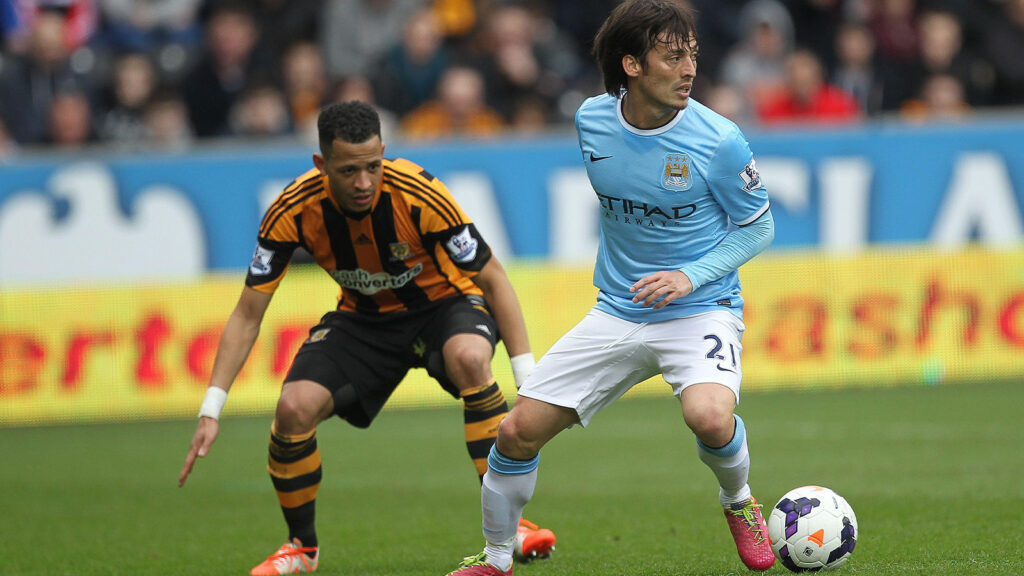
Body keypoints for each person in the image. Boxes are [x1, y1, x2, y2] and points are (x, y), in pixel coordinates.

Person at [445, 1, 776, 574]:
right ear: (631, 65)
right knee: (516, 432)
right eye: (672, 57)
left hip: (700, 307)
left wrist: (688, 276)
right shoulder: (591, 120)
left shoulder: (720, 140)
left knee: (710, 418)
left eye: (692, 54)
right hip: (618, 309)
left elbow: (760, 225)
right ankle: (496, 560)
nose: (689, 69)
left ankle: (738, 501)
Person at [178, 101, 555, 575]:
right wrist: (212, 407)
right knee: (293, 408)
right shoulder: (291, 210)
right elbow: (248, 313)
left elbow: (494, 278)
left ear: (384, 153)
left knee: (471, 358)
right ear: (321, 166)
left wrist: (527, 377)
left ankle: (511, 527)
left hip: (444, 308)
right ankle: (301, 548)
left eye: (373, 166)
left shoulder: (419, 192)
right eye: (349, 170)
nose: (363, 182)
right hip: (364, 321)